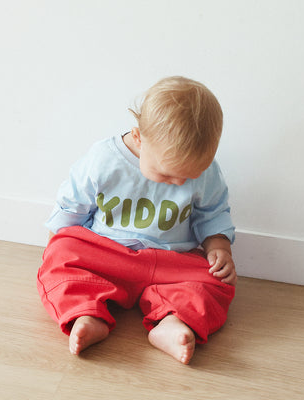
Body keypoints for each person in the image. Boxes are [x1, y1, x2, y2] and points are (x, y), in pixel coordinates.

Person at [37, 76, 237, 365]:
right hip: (107, 255)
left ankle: (173, 322)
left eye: (190, 176)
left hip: (170, 262)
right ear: (139, 137)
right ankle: (86, 314)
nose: (179, 183)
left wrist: (219, 246)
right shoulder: (104, 159)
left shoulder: (207, 172)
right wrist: (57, 247)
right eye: (167, 174)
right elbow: (72, 205)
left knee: (216, 280)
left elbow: (213, 212)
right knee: (60, 255)